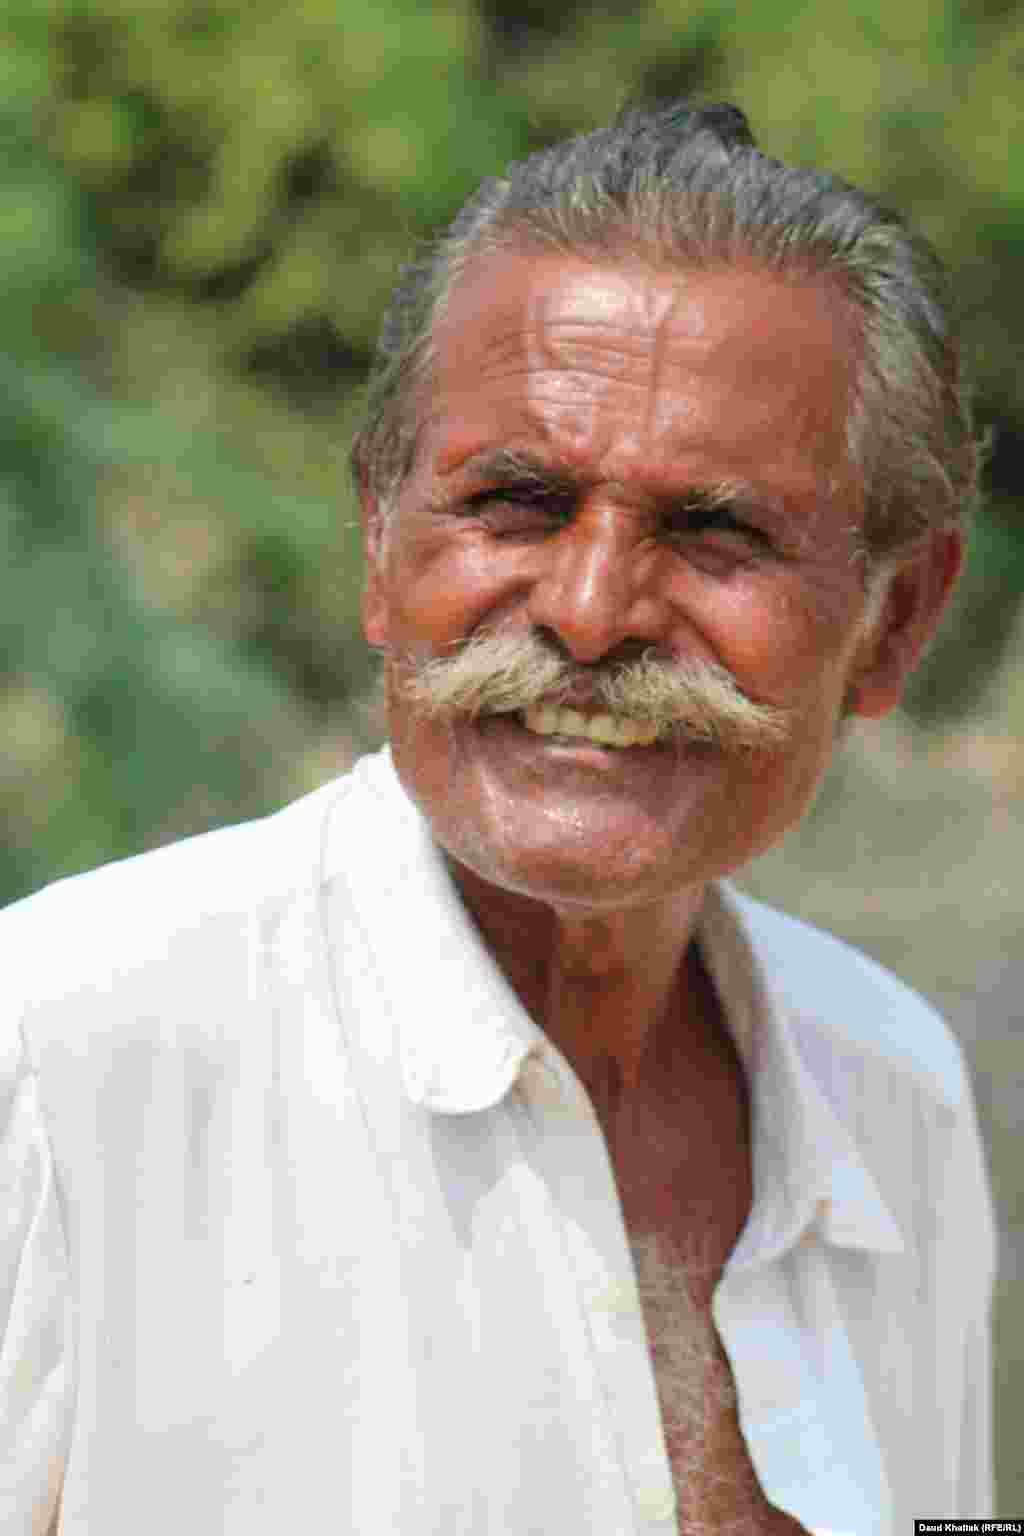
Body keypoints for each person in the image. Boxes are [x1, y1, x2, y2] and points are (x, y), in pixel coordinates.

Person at [2, 102, 995, 1534]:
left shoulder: (894, 1090)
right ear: (379, 545)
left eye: (716, 530)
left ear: (895, 622)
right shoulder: (60, 1055)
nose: (590, 615)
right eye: (516, 502)